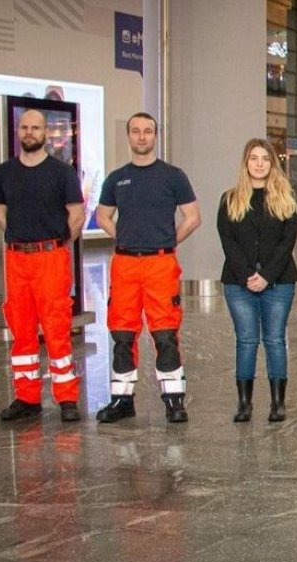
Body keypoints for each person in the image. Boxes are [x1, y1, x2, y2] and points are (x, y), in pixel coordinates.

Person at [95, 112, 202, 424]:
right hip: (125, 265)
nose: (142, 137)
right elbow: (103, 216)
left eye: (148, 131)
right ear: (128, 136)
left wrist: (168, 241)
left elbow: (193, 217)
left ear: (156, 136)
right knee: (122, 334)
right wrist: (126, 238)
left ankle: (174, 400)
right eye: (136, 131)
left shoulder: (173, 176)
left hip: (160, 263)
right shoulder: (116, 178)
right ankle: (122, 400)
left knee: (165, 333)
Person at [0, 109, 86, 422]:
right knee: (22, 328)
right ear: (18, 132)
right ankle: (26, 397)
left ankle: (67, 398)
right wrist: (18, 237)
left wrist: (57, 244)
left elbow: (76, 213)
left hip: (51, 258)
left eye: (36, 127)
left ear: (45, 132)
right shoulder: (4, 172)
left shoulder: (61, 172)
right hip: (16, 258)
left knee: (56, 327)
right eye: (24, 127)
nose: (29, 132)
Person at [217, 139, 297, 423]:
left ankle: (278, 403)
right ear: (246, 163)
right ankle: (245, 404)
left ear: (272, 163)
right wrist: (247, 276)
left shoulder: (287, 198)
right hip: (238, 284)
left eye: (265, 158)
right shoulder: (229, 200)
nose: (260, 163)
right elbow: (228, 243)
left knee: (275, 340)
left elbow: (287, 243)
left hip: (279, 283)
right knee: (247, 340)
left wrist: (266, 276)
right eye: (254, 158)